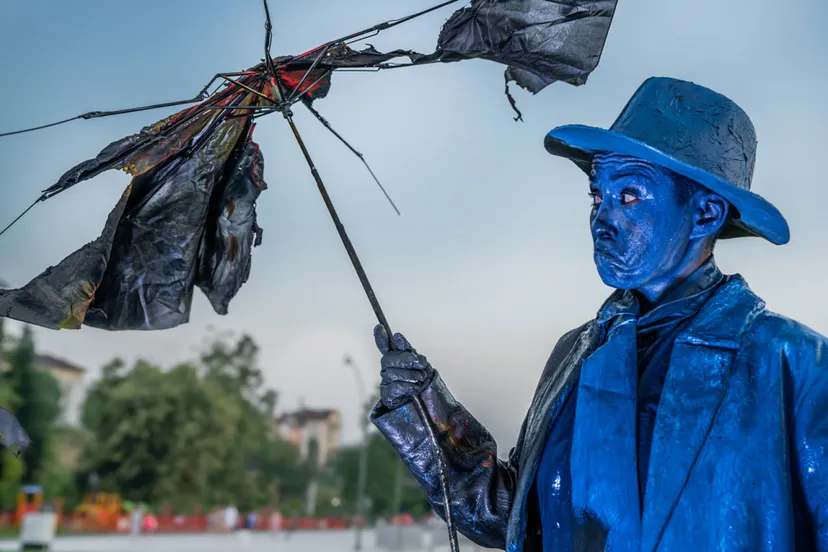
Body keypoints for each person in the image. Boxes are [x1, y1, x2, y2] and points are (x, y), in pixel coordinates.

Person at [370, 77, 828, 551]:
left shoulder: (794, 364)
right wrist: (427, 417)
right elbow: (520, 522)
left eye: (629, 195)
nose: (601, 218)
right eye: (596, 195)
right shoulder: (578, 353)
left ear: (706, 213)